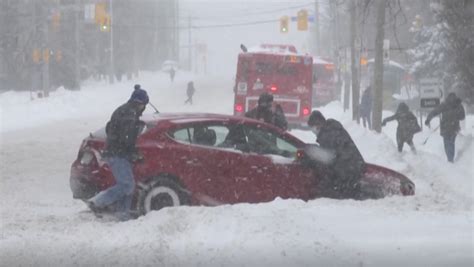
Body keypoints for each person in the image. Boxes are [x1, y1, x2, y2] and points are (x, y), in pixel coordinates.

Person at [87, 84, 149, 221]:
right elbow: (127, 137)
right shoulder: (130, 115)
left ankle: (123, 213)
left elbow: (110, 128)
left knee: (128, 183)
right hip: (118, 153)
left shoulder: (123, 110)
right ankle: (97, 202)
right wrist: (132, 151)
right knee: (127, 185)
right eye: (144, 105)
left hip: (115, 151)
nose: (144, 109)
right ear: (140, 103)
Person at [307, 110, 365, 199]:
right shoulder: (332, 129)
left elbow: (329, 157)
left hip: (347, 171)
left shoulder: (328, 134)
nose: (313, 130)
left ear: (318, 124)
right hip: (353, 166)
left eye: (313, 127)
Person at [425, 92, 465, 162]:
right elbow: (462, 117)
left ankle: (449, 159)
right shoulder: (458, 105)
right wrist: (456, 117)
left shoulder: (444, 104)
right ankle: (450, 159)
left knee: (447, 144)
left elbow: (434, 112)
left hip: (445, 127)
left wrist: (428, 119)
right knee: (451, 143)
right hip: (454, 127)